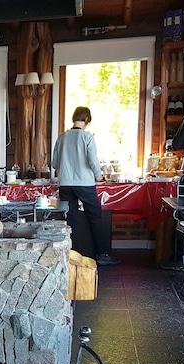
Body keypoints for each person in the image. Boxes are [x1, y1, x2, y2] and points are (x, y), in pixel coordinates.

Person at [52, 106, 119, 266]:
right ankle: (102, 254)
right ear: (87, 119)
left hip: (65, 183)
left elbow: (55, 163)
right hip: (85, 183)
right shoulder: (87, 137)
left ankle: (71, 255)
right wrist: (99, 176)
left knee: (70, 219)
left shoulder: (62, 137)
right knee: (95, 216)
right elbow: (92, 160)